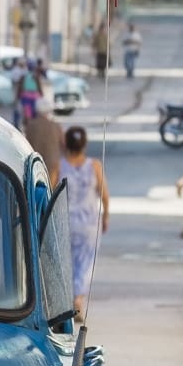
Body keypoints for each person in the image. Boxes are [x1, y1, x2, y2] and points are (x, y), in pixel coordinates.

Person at [60, 125, 109, 321]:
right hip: (89, 223)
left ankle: (66, 301)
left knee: (65, 261)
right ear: (85, 144)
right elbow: (104, 195)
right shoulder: (94, 165)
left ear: (66, 144)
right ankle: (78, 298)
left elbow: (50, 194)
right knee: (85, 261)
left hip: (65, 223)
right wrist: (106, 216)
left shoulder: (59, 166)